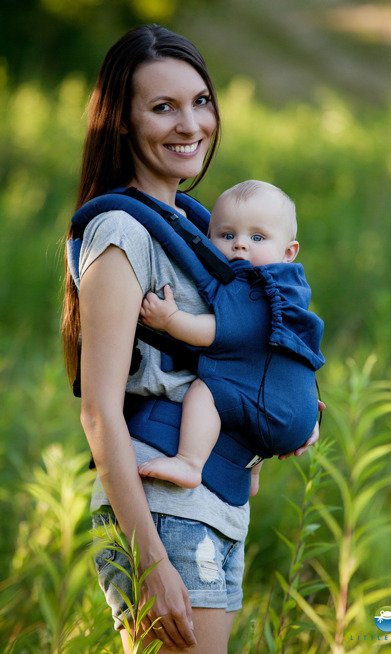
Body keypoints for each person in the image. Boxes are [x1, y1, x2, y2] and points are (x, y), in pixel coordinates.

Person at [62, 24, 323, 653]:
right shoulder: (123, 233)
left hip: (211, 502)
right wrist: (149, 562)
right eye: (162, 107)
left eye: (200, 102)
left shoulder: (205, 230)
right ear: (121, 124)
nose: (190, 124)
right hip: (163, 513)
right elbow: (99, 412)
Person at [138, 179, 324, 492]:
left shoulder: (252, 293)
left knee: (206, 390)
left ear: (288, 251)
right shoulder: (291, 291)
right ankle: (251, 473)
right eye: (227, 235)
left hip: (276, 416)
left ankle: (189, 462)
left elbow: (211, 333)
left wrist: (169, 319)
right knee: (249, 382)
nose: (239, 244)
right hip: (303, 413)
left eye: (257, 236)